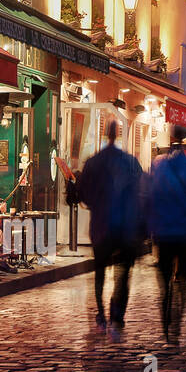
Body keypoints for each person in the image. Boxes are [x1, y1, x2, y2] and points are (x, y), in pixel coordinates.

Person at [77, 117, 145, 340]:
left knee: (99, 274)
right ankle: (117, 315)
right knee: (123, 274)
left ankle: (101, 316)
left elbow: (83, 194)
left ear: (106, 133)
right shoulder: (129, 162)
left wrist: (96, 204)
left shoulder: (93, 162)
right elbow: (139, 193)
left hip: (101, 226)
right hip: (124, 227)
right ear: (118, 134)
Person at [148, 124, 186, 344]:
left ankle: (166, 315)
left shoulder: (160, 168)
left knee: (164, 279)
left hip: (164, 232)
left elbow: (151, 198)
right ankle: (177, 319)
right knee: (183, 277)